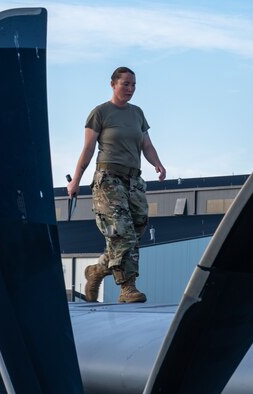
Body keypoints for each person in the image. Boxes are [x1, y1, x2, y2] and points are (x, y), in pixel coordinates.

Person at [67, 66, 166, 303]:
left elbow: (146, 145)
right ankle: (127, 287)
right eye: (125, 84)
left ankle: (97, 271)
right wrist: (76, 182)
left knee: (138, 227)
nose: (130, 89)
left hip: (133, 181)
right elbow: (88, 149)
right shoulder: (100, 113)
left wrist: (157, 164)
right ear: (113, 84)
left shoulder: (137, 113)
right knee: (122, 233)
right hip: (108, 179)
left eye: (133, 85)